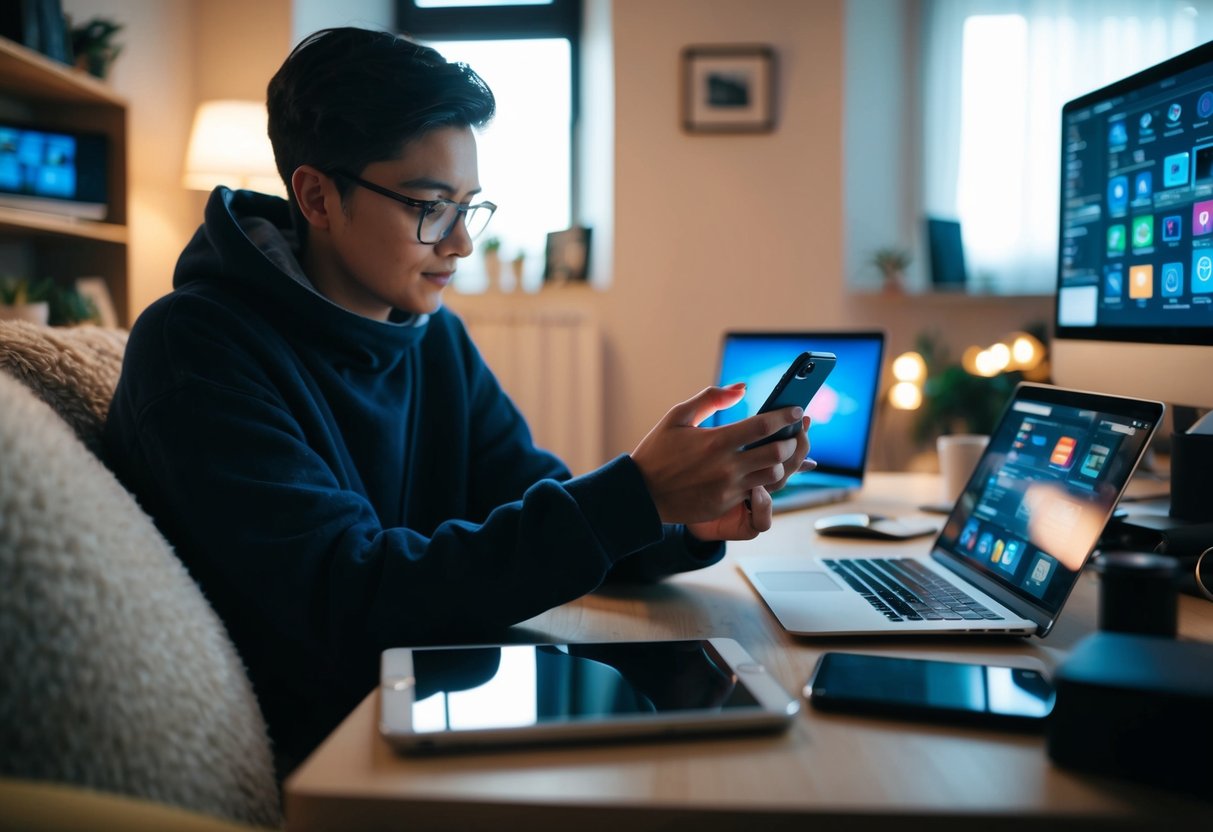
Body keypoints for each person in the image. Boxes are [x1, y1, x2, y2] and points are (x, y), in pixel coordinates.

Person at [103, 27, 811, 773]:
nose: (461, 245)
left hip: (426, 695)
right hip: (329, 752)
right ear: (315, 195)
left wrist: (679, 517)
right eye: (429, 207)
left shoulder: (430, 336)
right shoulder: (199, 350)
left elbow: (535, 494)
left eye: (470, 207)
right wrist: (633, 493)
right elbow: (348, 597)